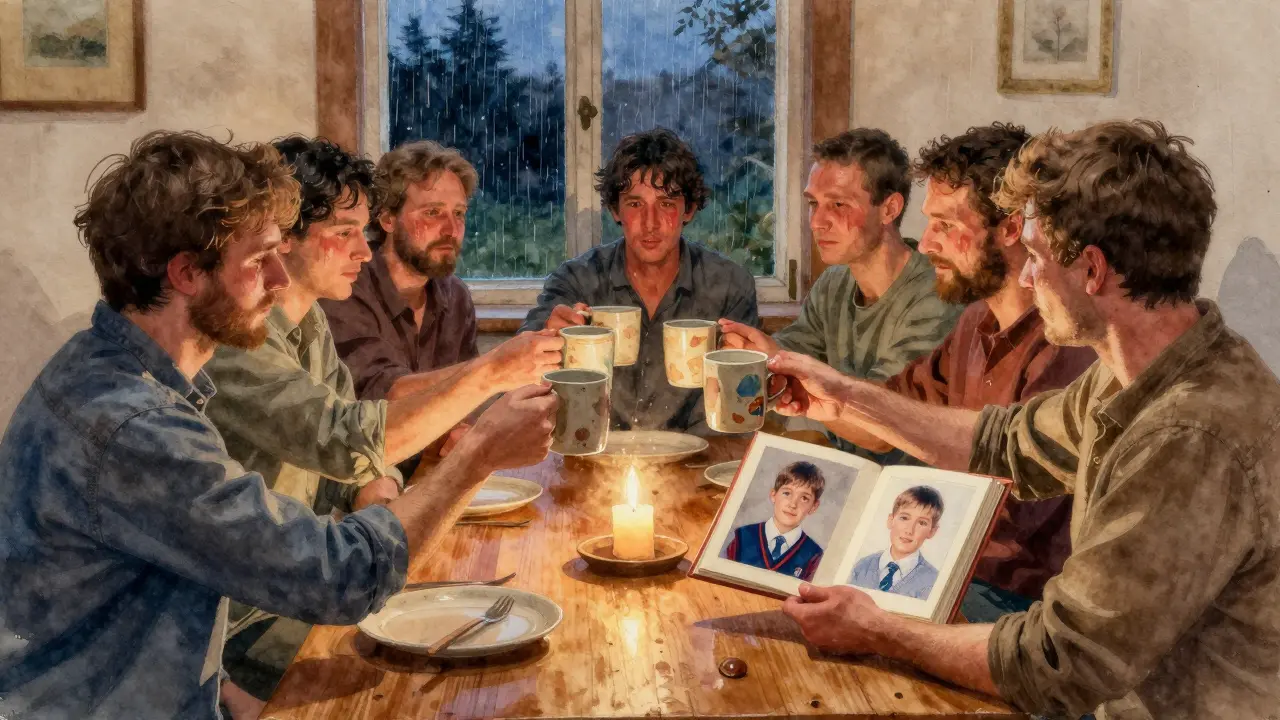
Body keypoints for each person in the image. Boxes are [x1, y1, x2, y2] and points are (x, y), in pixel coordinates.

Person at [0, 131, 558, 720]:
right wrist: (478, 457)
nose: (278, 278)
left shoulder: (108, 368)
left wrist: (227, 696)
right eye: (260, 259)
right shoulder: (134, 425)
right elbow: (341, 575)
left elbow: (156, 600)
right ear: (188, 272)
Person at [771, 120, 1280, 720]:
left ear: (1091, 270)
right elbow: (1001, 443)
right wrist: (843, 397)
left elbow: (1059, 663)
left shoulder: (1190, 433)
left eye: (1036, 255)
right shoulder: (1135, 371)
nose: (1029, 276)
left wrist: (880, 630)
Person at [202, 135, 563, 701]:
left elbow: (356, 456)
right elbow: (348, 436)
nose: (364, 250)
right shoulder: (241, 336)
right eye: (345, 232)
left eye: (459, 214)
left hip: (310, 575)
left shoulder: (310, 324)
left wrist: (383, 488)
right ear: (285, 238)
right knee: (451, 685)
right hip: (253, 618)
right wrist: (492, 378)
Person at [765, 124, 1097, 621]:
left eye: (946, 224)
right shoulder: (973, 322)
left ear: (1010, 228)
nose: (927, 244)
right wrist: (824, 402)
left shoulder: (1062, 346)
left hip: (1018, 604)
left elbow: (1008, 510)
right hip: (949, 567)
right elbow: (890, 421)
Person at [718, 129, 961, 456]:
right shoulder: (833, 284)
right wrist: (749, 351)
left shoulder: (937, 293)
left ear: (889, 209)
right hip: (841, 475)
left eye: (838, 204)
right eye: (813, 204)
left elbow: (883, 431)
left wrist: (777, 361)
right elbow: (792, 350)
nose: (817, 221)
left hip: (914, 495)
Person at [520, 128, 760, 432]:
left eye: (666, 204)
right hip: (592, 457)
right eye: (635, 204)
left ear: (689, 210)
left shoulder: (729, 285)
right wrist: (545, 342)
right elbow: (519, 381)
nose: (650, 224)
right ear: (614, 210)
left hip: (696, 460)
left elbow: (735, 413)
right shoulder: (576, 280)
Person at [319, 140, 495, 478]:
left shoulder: (455, 295)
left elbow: (461, 407)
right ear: (386, 217)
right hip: (357, 482)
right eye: (432, 212)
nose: (451, 229)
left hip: (428, 474)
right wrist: (498, 367)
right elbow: (387, 398)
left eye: (458, 214)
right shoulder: (345, 286)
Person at [723, 461, 825, 581]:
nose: (793, 504)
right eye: (787, 493)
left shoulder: (814, 555)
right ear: (773, 495)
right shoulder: (742, 537)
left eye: (804, 498)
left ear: (813, 506)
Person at [849, 486, 942, 600]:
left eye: (921, 523)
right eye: (904, 518)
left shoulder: (933, 582)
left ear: (932, 531)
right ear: (890, 520)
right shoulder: (862, 566)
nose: (909, 530)